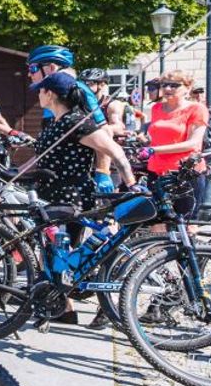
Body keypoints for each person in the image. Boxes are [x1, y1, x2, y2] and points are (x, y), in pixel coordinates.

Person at [29, 73, 137, 325]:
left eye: (41, 90)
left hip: (71, 197)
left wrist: (131, 184)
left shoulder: (77, 122)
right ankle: (63, 308)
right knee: (54, 254)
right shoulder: (57, 121)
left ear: (51, 94)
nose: (38, 94)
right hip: (50, 194)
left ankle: (100, 303)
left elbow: (115, 151)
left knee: (67, 253)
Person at [147, 71, 209, 213]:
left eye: (174, 85)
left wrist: (154, 150)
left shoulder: (196, 108)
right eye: (164, 85)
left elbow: (192, 143)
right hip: (156, 170)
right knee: (157, 220)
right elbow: (157, 136)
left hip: (184, 172)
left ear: (188, 88)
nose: (167, 89)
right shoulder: (156, 108)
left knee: (185, 220)